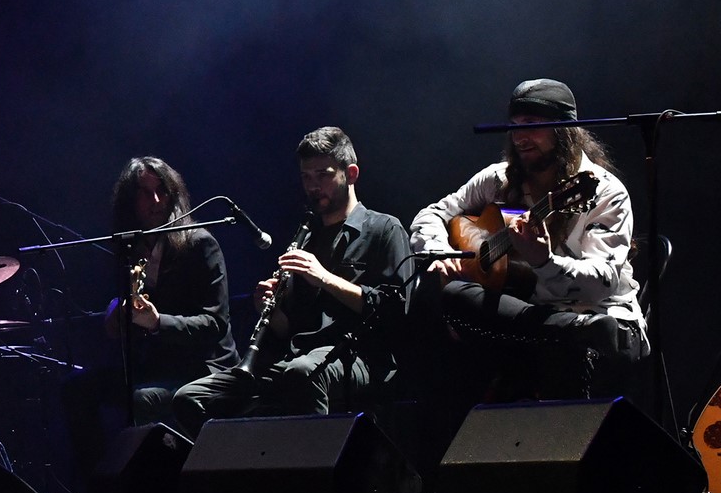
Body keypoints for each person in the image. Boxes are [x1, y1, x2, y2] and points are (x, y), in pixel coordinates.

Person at [406, 79, 645, 401]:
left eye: (531, 125)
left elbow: (600, 284)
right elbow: (432, 213)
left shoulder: (604, 192)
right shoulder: (498, 178)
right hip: (528, 315)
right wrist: (440, 251)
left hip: (599, 315)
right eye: (514, 126)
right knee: (449, 296)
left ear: (564, 130)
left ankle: (573, 330)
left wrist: (544, 262)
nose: (520, 138)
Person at [171, 128, 411, 436]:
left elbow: (395, 310)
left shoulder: (384, 229)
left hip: (359, 357)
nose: (312, 186)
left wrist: (324, 278)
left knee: (303, 374)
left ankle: (314, 466)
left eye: (323, 175)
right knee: (189, 398)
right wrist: (271, 312)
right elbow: (292, 329)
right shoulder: (306, 237)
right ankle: (241, 460)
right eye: (306, 177)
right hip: (297, 357)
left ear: (351, 174)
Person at [63, 157, 238, 493]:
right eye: (145, 193)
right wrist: (116, 315)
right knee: (76, 388)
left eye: (161, 191)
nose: (155, 201)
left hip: (203, 368)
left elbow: (215, 324)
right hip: (155, 366)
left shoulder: (200, 244)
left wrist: (158, 323)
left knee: (142, 399)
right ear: (130, 200)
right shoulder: (128, 248)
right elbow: (122, 311)